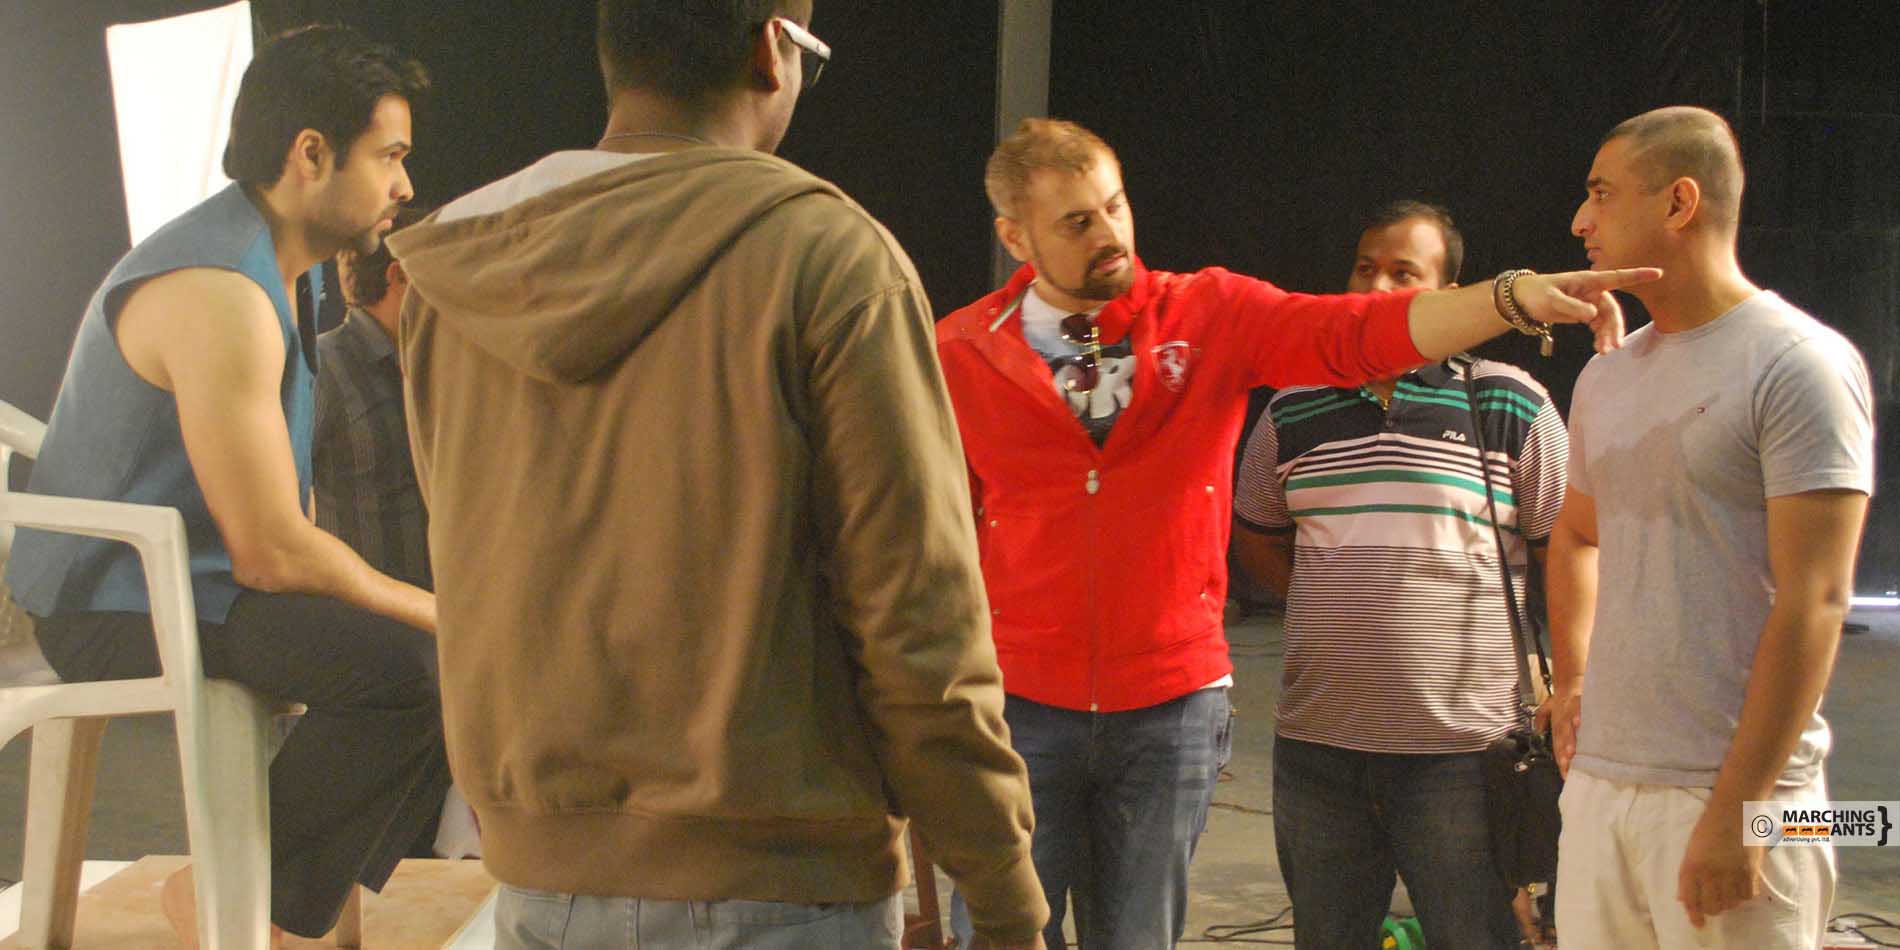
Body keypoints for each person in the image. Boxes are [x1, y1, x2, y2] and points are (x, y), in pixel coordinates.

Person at [388, 2, 1047, 948]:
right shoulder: (827, 258)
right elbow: (917, 616)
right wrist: (1004, 893)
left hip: (539, 880)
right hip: (781, 883)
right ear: (774, 50)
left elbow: (469, 561)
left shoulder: (456, 276)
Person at [935, 117, 1654, 949]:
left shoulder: (1205, 313)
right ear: (1015, 238)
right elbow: (930, 544)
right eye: (1076, 222)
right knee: (997, 935)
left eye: (1116, 205)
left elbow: (1351, 333)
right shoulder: (959, 352)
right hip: (1020, 706)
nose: (1110, 235)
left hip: (1170, 709)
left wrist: (1508, 298)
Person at [3, 25, 446, 945]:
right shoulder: (219, 291)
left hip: (192, 582)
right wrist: (437, 610)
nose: (405, 184)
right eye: (391, 155)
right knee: (415, 668)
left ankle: (278, 897)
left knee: (427, 657)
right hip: (113, 605)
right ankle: (239, 895)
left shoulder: (282, 271)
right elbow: (271, 551)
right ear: (311, 154)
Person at [1548, 105, 1872, 948]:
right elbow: (1576, 534)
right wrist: (1572, 681)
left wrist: (1744, 807)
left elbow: (1816, 600)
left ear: (1679, 203)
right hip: (1604, 786)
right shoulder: (1607, 379)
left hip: (1739, 794)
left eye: (1602, 193)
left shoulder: (1797, 363)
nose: (1580, 221)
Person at [1233, 200, 1566, 950]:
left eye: (1403, 272)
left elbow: (1568, 553)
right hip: (1318, 753)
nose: (1377, 287)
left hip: (1465, 758)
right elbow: (1256, 535)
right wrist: (1334, 599)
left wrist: (1570, 681)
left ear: (1448, 295)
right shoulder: (1292, 407)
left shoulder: (1508, 403)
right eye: (1365, 268)